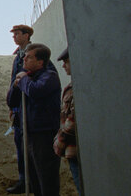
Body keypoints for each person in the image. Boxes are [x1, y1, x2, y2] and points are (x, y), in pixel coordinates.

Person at [8, 43, 61, 196]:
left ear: (40, 62)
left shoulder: (49, 76)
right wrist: (16, 84)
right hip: (28, 134)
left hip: (43, 135)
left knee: (47, 179)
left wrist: (23, 80)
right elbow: (11, 101)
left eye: (29, 57)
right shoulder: (27, 78)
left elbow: (36, 91)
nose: (24, 59)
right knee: (34, 180)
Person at [5, 24, 34, 194]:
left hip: (29, 106)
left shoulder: (33, 54)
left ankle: (32, 181)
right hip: (18, 106)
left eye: (17, 33)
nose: (14, 36)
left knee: (30, 145)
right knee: (20, 144)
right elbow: (12, 81)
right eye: (13, 34)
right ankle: (23, 180)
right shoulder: (18, 57)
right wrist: (12, 104)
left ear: (26, 35)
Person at [54, 48, 83, 195]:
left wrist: (59, 142)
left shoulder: (79, 87)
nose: (64, 66)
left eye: (66, 62)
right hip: (74, 150)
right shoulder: (71, 86)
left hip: (77, 149)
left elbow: (72, 123)